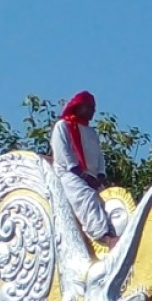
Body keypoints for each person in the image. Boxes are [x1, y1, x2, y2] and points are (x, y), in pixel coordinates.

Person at [50, 90, 118, 248]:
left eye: (93, 108)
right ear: (79, 107)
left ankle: (116, 234)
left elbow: (99, 156)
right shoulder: (63, 126)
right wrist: (81, 175)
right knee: (87, 197)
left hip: (92, 177)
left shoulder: (91, 132)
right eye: (89, 107)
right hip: (69, 174)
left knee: (108, 201)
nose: (93, 111)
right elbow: (62, 153)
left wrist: (100, 175)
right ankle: (105, 237)